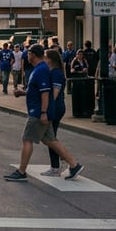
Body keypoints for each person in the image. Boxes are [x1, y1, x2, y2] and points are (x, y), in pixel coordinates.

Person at [4, 44, 84, 182]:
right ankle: (74, 165)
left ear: (33, 55)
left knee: (27, 139)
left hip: (38, 111)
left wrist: (43, 112)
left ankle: (21, 171)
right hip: (41, 110)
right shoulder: (39, 70)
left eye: (28, 53)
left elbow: (45, 94)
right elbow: (38, 91)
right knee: (50, 140)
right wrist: (23, 93)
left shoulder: (41, 70)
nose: (26, 55)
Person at [41, 49, 69, 177]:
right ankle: (57, 164)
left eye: (45, 57)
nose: (44, 60)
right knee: (50, 137)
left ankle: (59, 163)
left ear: (50, 59)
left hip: (56, 108)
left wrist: (45, 109)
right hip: (55, 108)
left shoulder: (56, 73)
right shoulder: (53, 72)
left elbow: (55, 94)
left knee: (50, 138)